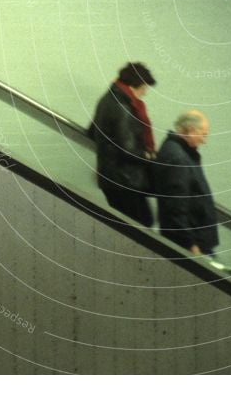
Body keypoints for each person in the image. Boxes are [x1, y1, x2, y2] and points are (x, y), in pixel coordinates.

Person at [90, 62, 156, 227]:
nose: (144, 93)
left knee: (130, 226)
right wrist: (149, 156)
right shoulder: (124, 107)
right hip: (125, 181)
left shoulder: (108, 99)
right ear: (133, 85)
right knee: (141, 227)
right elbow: (128, 149)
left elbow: (91, 131)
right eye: (143, 88)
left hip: (113, 179)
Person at [153, 110, 218, 257]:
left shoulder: (178, 152)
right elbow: (176, 206)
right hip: (192, 243)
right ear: (190, 130)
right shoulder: (179, 158)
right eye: (203, 134)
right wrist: (191, 244)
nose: (204, 140)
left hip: (193, 239)